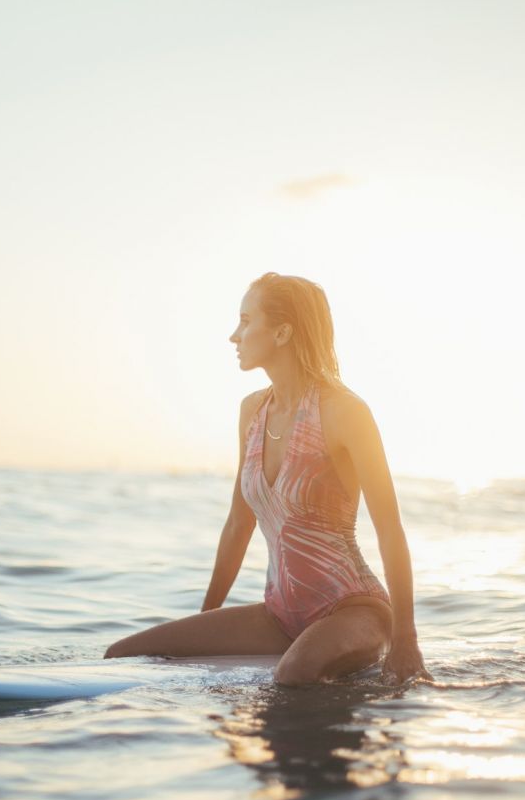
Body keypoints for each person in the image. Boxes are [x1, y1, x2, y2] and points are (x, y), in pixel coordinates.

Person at [105, 272, 429, 685]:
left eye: (245, 320)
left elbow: (390, 529)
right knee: (123, 655)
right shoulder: (252, 412)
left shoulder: (345, 412)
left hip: (354, 610)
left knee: (293, 675)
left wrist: (405, 640)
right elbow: (239, 524)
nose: (233, 336)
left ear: (282, 332)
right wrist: (206, 623)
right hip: (279, 615)